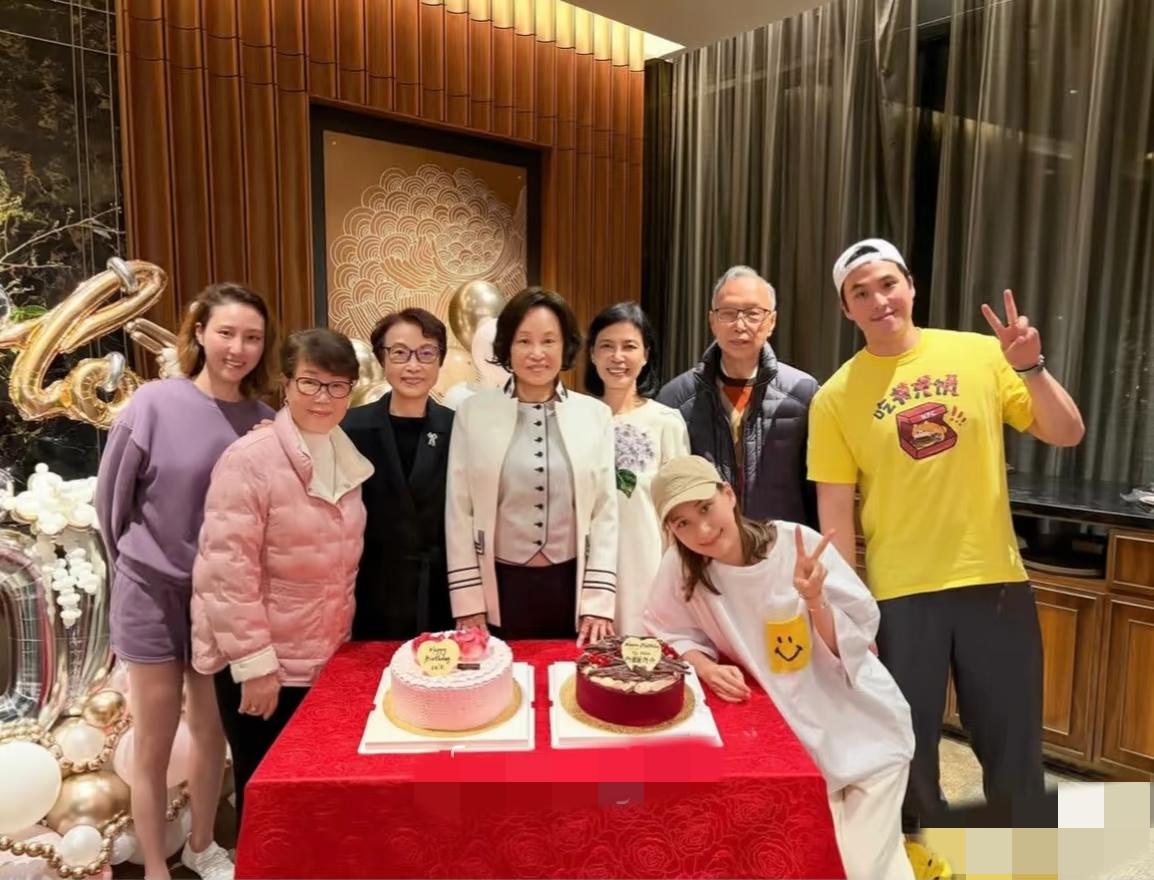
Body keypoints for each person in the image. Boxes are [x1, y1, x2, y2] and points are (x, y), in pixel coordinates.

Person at [808, 238, 1085, 833]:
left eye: (888, 284)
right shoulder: (834, 398)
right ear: (846, 309)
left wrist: (1031, 367)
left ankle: (1020, 859)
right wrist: (850, 613)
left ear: (911, 286)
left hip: (994, 579)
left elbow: (1066, 432)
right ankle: (921, 858)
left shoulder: (981, 355)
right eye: (861, 292)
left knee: (1013, 745)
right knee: (907, 752)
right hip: (900, 595)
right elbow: (835, 517)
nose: (879, 300)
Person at [643, 455, 915, 880]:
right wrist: (706, 667)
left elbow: (855, 646)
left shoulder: (793, 544)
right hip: (791, 741)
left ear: (728, 494)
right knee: (811, 857)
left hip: (861, 725)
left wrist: (814, 598)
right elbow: (666, 630)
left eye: (705, 508)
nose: (702, 530)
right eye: (682, 523)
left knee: (861, 868)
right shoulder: (681, 567)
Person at [96, 282, 276, 880]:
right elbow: (110, 504)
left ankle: (202, 845)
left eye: (252, 337)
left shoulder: (264, 422)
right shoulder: (152, 404)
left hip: (218, 601)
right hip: (150, 594)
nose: (238, 348)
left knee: (210, 732)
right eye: (226, 333)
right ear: (199, 333)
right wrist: (139, 565)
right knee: (152, 741)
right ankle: (155, 866)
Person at [191, 329, 373, 820]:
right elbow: (226, 572)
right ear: (286, 384)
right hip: (264, 668)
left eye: (337, 386)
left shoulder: (345, 455)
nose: (323, 397)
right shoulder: (249, 459)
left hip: (322, 657)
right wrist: (255, 667)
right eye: (310, 382)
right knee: (268, 805)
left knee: (313, 802)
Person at [446, 286, 618, 644]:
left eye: (549, 341)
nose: (537, 353)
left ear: (565, 346)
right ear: (507, 347)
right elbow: (459, 509)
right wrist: (468, 601)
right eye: (524, 341)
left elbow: (605, 511)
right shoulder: (473, 413)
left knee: (566, 676)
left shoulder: (595, 415)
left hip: (571, 584)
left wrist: (598, 601)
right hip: (499, 584)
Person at [658, 265, 818, 524]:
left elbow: (816, 489)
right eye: (728, 314)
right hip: (706, 540)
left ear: (771, 322)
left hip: (781, 542)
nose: (740, 325)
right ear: (712, 321)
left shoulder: (803, 393)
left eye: (753, 314)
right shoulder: (676, 398)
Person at [342, 308, 455, 639]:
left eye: (426, 353)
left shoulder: (457, 428)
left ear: (439, 360)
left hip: (439, 592)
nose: (413, 365)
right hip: (372, 590)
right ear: (382, 358)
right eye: (400, 353)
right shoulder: (350, 427)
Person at [585, 301, 689, 634]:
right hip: (585, 568)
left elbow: (680, 509)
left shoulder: (666, 422)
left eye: (629, 346)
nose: (617, 357)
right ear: (592, 354)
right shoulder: (575, 418)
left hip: (646, 567)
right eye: (607, 346)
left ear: (645, 355)